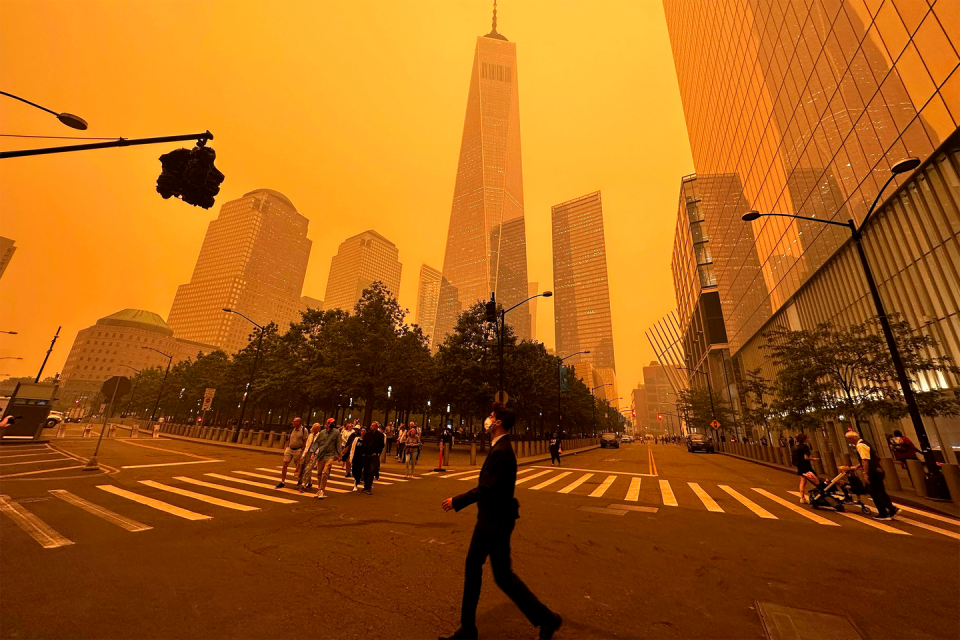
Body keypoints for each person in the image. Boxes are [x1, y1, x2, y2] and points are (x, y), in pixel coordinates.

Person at [440, 403, 562, 640]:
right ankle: (467, 628)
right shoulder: (500, 448)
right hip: (488, 520)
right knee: (474, 567)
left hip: (496, 522)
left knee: (503, 576)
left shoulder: (503, 452)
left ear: (498, 423)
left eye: (491, 416)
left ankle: (548, 618)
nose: (487, 419)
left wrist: (457, 501)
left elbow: (487, 489)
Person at [846, 430, 898, 520]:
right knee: (880, 491)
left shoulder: (860, 445)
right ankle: (890, 508)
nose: (849, 442)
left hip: (873, 472)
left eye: (849, 440)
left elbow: (865, 460)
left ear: (852, 439)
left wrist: (865, 473)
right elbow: (867, 459)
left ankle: (885, 512)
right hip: (877, 470)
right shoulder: (865, 443)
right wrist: (856, 467)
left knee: (874, 492)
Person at [301, 418, 341, 499]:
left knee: (325, 472)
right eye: (331, 423)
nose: (333, 424)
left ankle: (322, 490)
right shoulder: (322, 433)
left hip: (330, 455)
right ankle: (319, 489)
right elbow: (316, 443)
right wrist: (312, 453)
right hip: (321, 455)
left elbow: (338, 444)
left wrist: (340, 455)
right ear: (328, 424)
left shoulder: (336, 433)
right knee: (319, 473)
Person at [276, 417, 307, 489]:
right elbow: (289, 439)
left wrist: (303, 450)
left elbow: (305, 440)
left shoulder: (303, 430)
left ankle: (301, 479)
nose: (293, 423)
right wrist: (287, 447)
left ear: (299, 422)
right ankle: (282, 481)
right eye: (293, 421)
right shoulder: (292, 430)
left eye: (295, 421)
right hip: (290, 449)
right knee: (285, 464)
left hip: (298, 450)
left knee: (299, 465)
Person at [792, 433, 819, 504]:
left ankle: (802, 498)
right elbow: (806, 458)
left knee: (803, 481)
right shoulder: (805, 447)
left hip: (800, 466)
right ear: (804, 439)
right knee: (816, 479)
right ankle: (819, 495)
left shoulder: (796, 447)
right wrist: (813, 459)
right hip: (806, 466)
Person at [296, 422, 322, 490]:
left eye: (316, 429)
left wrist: (316, 455)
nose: (314, 430)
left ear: (318, 429)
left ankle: (304, 484)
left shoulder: (320, 436)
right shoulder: (311, 435)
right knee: (305, 467)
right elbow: (307, 445)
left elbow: (319, 446)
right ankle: (309, 482)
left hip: (314, 453)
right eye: (314, 429)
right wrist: (303, 454)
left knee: (308, 469)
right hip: (308, 453)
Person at [362, 421, 386, 495]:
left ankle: (369, 486)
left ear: (376, 427)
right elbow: (364, 443)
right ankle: (365, 486)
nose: (371, 427)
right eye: (371, 425)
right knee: (365, 470)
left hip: (374, 455)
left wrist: (377, 452)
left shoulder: (380, 435)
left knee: (371, 471)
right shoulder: (367, 434)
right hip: (366, 454)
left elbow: (382, 445)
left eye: (373, 426)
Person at [350, 426, 366, 491]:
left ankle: (356, 483)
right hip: (356, 457)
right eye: (362, 431)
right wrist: (351, 456)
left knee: (359, 471)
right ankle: (356, 479)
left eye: (364, 431)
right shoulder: (356, 439)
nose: (363, 432)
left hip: (362, 458)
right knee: (354, 470)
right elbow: (353, 448)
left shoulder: (366, 440)